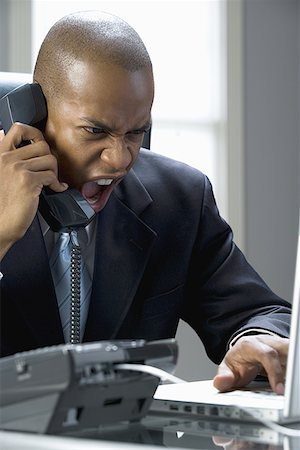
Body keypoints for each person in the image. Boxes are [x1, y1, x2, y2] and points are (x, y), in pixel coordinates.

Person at [0, 11, 291, 394]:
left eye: (136, 132)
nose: (120, 159)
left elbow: (263, 314)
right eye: (95, 131)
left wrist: (255, 339)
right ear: (34, 114)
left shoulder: (180, 198)